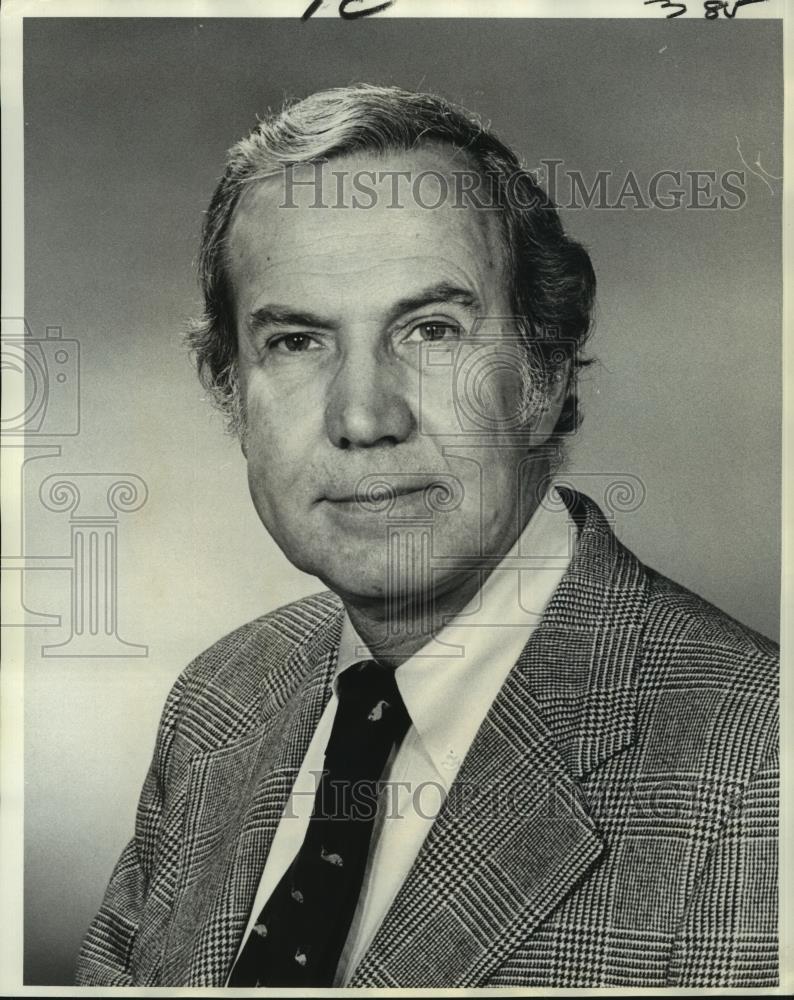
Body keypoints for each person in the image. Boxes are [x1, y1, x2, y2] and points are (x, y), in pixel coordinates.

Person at [75, 84, 778, 988]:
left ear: (545, 374)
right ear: (232, 394)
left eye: (432, 331)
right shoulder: (220, 700)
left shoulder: (761, 765)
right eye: (297, 342)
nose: (364, 418)